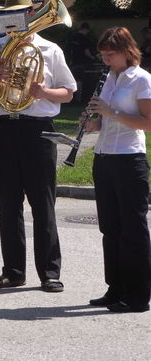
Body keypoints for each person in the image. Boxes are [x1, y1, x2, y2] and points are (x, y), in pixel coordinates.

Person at [0, 0, 77, 293]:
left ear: (31, 14)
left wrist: (44, 93)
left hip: (38, 130)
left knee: (43, 204)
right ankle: (13, 271)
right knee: (8, 205)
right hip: (3, 128)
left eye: (17, 13)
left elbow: (68, 92)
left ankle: (50, 273)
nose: (11, 19)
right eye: (6, 14)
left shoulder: (50, 50)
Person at [84, 26, 151, 313]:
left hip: (129, 158)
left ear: (126, 51)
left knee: (133, 230)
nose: (106, 60)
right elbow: (105, 121)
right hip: (104, 157)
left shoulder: (142, 79)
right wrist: (94, 123)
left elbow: (147, 122)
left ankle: (138, 296)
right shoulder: (109, 77)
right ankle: (116, 288)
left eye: (110, 55)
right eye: (103, 55)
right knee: (109, 228)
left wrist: (110, 112)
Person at [68, 22, 97, 102]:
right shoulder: (85, 39)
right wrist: (93, 58)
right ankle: (78, 99)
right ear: (86, 29)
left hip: (73, 62)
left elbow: (71, 51)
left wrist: (71, 60)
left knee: (72, 80)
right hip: (81, 62)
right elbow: (86, 52)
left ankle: (71, 99)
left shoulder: (73, 37)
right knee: (79, 80)